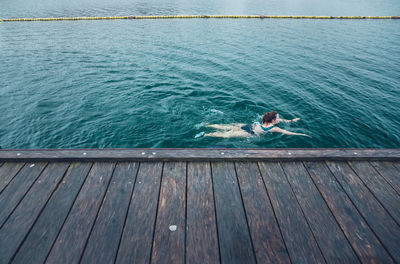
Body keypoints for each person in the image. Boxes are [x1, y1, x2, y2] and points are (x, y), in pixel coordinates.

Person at [204, 111, 310, 138]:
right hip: (250, 133)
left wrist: (292, 121)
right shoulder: (275, 128)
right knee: (225, 135)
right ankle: (206, 135)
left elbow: (283, 120)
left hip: (249, 126)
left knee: (226, 127)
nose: (279, 118)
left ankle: (207, 125)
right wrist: (301, 134)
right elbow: (287, 132)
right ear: (273, 120)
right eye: (277, 117)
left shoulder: (266, 119)